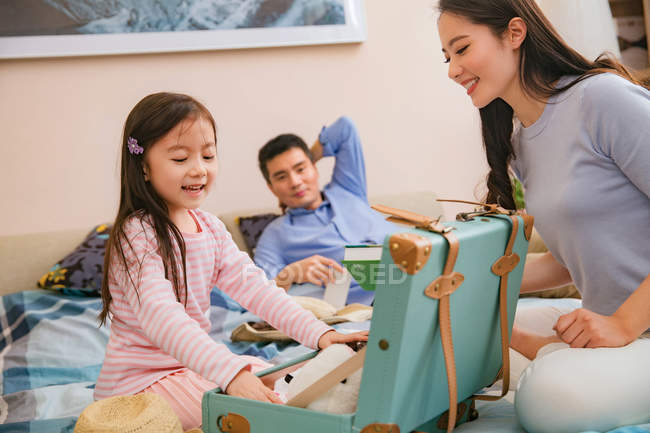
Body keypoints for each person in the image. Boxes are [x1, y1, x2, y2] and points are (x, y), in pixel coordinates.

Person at [94, 93, 367, 431]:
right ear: (144, 166)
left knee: (285, 376)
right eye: (180, 158)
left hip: (191, 366)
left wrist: (319, 334)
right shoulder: (136, 236)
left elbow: (257, 290)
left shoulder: (209, 228)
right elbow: (165, 321)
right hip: (141, 384)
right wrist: (230, 373)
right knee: (253, 406)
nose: (199, 169)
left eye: (208, 155)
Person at [437, 1, 650, 432]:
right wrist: (464, 277)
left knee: (546, 401)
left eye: (461, 49)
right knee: (456, 336)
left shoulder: (601, 98)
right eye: (446, 56)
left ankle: (549, 351)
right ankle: (547, 348)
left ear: (514, 34)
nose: (452, 70)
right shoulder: (523, 143)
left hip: (636, 325)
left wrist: (625, 323)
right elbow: (570, 257)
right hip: (608, 319)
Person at [254, 116, 397, 305]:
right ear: (271, 188)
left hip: (424, 260)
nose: (295, 182)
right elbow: (258, 293)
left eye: (300, 169)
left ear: (314, 167)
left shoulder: (347, 188)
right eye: (281, 177)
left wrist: (309, 156)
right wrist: (291, 273)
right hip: (380, 300)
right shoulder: (276, 234)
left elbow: (345, 129)